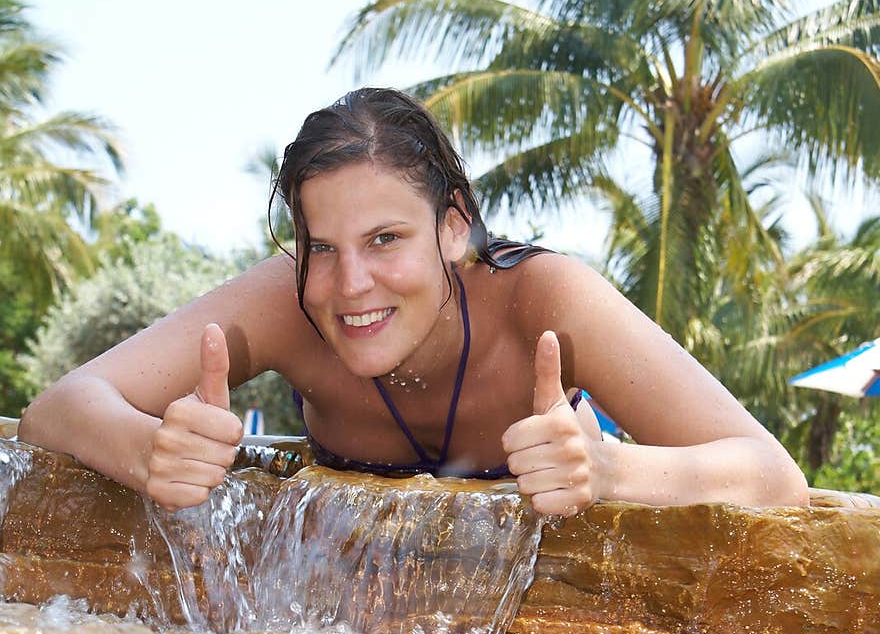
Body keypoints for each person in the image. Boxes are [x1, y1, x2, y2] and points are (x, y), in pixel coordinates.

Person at [18, 87, 809, 516]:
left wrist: (605, 470)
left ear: (455, 226)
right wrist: (144, 448)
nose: (349, 283)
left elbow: (772, 476)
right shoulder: (285, 301)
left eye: (386, 239)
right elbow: (59, 406)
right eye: (321, 246)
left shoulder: (545, 298)